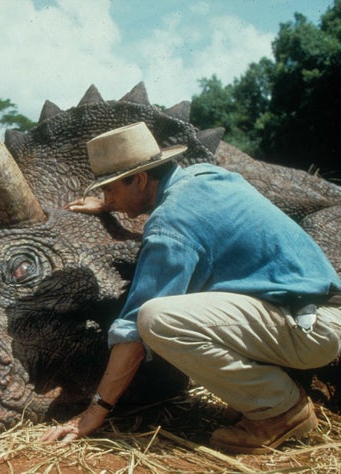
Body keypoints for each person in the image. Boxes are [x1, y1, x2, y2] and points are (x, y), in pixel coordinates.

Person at [40, 122, 341, 454]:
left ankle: (280, 411)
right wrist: (111, 204)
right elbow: (191, 223)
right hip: (314, 310)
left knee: (156, 319)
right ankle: (280, 380)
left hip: (310, 330)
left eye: (109, 190)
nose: (106, 198)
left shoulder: (171, 222)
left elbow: (133, 333)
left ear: (140, 179)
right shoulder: (205, 176)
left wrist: (95, 411)